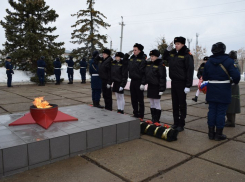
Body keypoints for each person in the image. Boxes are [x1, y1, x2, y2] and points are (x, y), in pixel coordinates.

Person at [202, 42, 240, 141]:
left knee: (212, 111)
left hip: (212, 89)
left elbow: (205, 77)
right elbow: (236, 77)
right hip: (224, 90)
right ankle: (218, 134)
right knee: (221, 113)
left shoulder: (209, 62)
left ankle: (211, 133)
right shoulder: (228, 61)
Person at [163, 36, 194, 132]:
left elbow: (190, 70)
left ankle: (181, 123)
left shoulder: (187, 55)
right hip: (174, 82)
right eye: (175, 44)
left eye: (178, 44)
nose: (176, 46)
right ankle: (175, 122)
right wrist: (166, 50)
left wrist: (188, 85)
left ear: (183, 44)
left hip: (182, 83)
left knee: (181, 104)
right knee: (175, 103)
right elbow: (164, 58)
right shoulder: (172, 53)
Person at [125, 43, 146, 119]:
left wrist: (143, 83)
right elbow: (125, 63)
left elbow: (144, 73)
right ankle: (135, 113)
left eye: (135, 50)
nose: (134, 51)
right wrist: (127, 55)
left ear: (139, 50)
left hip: (139, 81)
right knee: (133, 98)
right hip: (133, 81)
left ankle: (141, 115)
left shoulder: (143, 59)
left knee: (140, 99)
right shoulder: (132, 58)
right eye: (133, 50)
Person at [145, 50, 166, 123]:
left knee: (157, 102)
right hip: (150, 86)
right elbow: (147, 75)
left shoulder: (160, 64)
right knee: (151, 103)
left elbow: (162, 77)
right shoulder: (149, 64)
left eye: (153, 56)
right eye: (151, 56)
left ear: (157, 57)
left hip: (157, 87)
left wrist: (161, 89)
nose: (151, 57)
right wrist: (143, 83)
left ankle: (157, 119)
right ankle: (153, 118)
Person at [225, 50, 241, 127]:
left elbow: (234, 76)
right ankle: (230, 120)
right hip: (233, 87)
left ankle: (231, 122)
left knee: (231, 105)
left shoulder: (234, 65)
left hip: (232, 87)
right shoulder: (235, 64)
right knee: (231, 105)